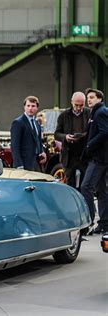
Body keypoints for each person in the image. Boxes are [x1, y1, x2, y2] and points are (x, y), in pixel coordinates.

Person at [80, 88, 108, 234]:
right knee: (102, 190)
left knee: (86, 187)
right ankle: (104, 223)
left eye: (91, 97)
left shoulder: (101, 111)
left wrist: (90, 144)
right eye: (88, 97)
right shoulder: (96, 112)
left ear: (99, 99)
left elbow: (105, 131)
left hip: (99, 158)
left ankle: (89, 221)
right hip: (100, 157)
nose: (88, 99)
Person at [54, 92, 90, 189]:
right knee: (70, 184)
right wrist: (65, 137)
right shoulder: (64, 115)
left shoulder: (89, 113)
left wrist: (83, 136)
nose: (78, 108)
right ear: (71, 102)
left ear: (85, 103)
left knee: (85, 185)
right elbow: (57, 134)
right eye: (76, 105)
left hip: (84, 155)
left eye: (81, 105)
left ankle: (83, 204)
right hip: (69, 156)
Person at [10, 96, 47, 171]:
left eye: (33, 106)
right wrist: (18, 165)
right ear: (24, 107)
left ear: (37, 108)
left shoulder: (37, 124)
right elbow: (14, 146)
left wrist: (42, 151)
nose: (30, 108)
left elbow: (38, 141)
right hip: (23, 164)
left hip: (36, 163)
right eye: (28, 106)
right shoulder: (18, 123)